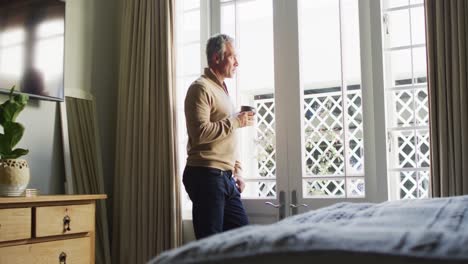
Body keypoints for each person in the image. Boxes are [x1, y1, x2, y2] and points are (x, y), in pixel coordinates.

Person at [183, 34, 254, 240]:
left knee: (244, 241)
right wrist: (236, 121)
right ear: (216, 58)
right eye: (232, 57)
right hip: (206, 175)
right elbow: (199, 133)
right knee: (210, 245)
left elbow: (228, 137)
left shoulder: (222, 91)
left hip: (225, 178)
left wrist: (237, 171)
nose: (237, 63)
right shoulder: (200, 88)